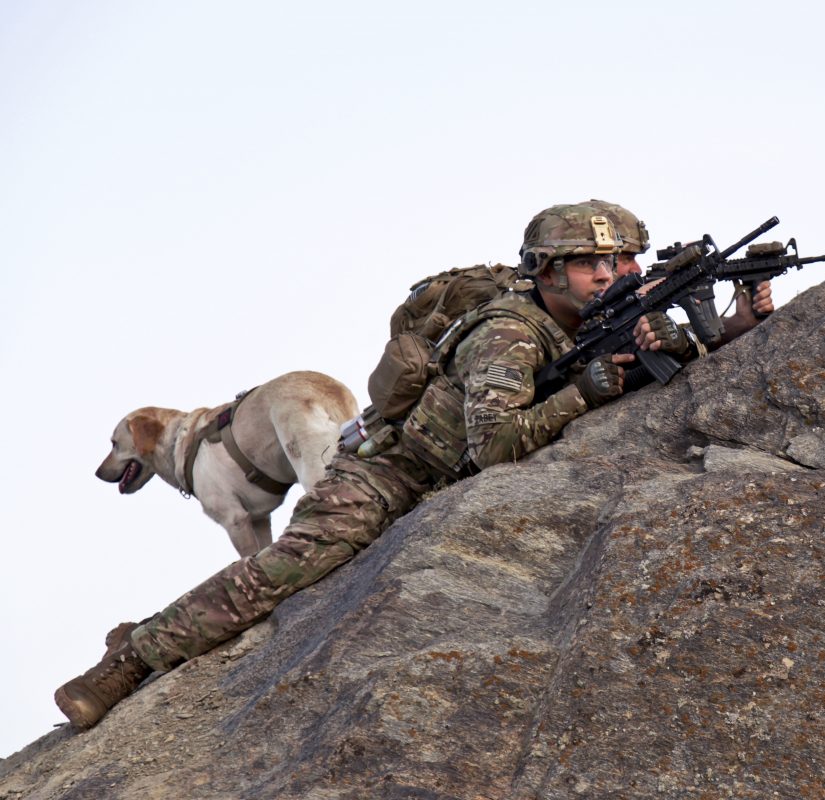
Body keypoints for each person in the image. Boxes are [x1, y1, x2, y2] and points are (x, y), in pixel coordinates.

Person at [53, 200, 769, 730]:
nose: (613, 274)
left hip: (443, 478)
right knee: (291, 566)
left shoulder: (609, 311)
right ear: (548, 271)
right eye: (593, 263)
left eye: (623, 261)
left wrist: (738, 321)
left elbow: (672, 358)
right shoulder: (509, 335)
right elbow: (495, 445)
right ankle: (131, 659)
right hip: (390, 470)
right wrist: (577, 396)